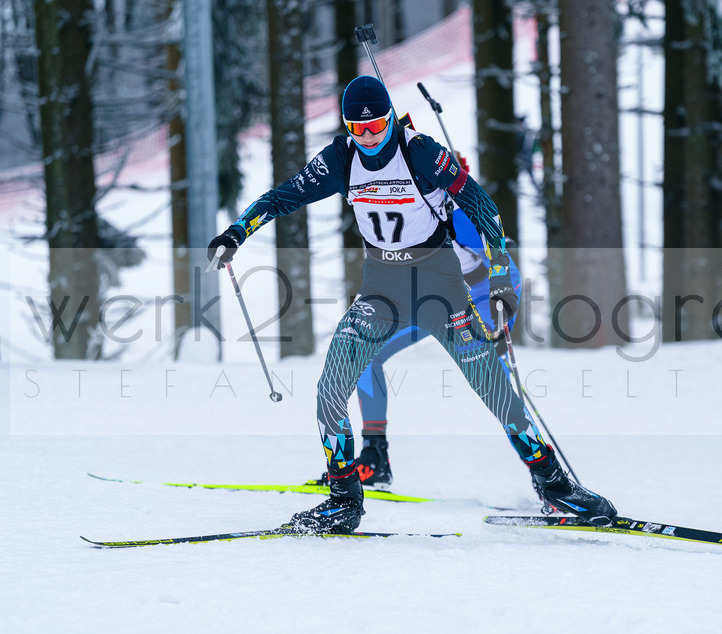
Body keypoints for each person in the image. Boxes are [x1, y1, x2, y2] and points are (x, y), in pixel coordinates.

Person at [207, 75, 615, 533]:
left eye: (376, 125)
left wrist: (499, 275)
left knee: (497, 393)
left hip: (441, 289)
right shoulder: (341, 159)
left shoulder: (421, 151)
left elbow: (484, 209)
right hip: (381, 289)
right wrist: (236, 233)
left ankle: (556, 488)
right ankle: (344, 499)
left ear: (389, 119)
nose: (368, 137)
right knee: (330, 388)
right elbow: (284, 196)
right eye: (356, 129)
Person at [342, 207, 523, 490]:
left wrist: (500, 316)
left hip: (478, 299)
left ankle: (546, 478)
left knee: (497, 385)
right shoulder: (393, 219)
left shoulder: (458, 218)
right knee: (367, 354)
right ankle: (374, 458)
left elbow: (507, 270)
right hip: (431, 301)